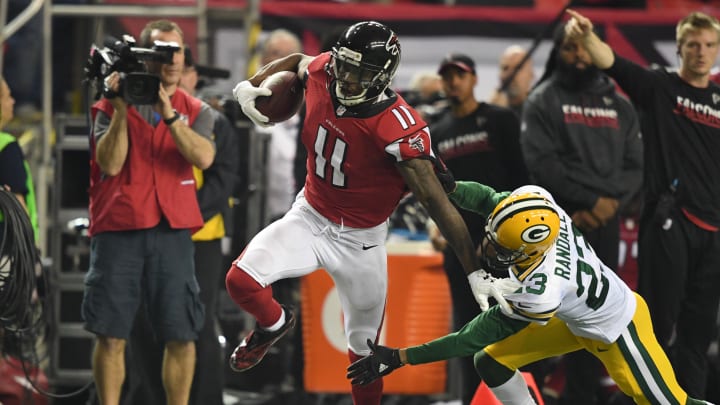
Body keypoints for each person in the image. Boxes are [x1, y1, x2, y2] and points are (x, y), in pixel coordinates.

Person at [227, 20, 479, 405]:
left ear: (383, 76)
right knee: (240, 281)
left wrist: (474, 268)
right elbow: (299, 61)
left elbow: (439, 206)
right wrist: (255, 82)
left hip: (361, 240)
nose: (345, 78)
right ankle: (274, 324)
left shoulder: (396, 127)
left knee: (364, 356)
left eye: (359, 72)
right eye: (343, 66)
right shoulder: (328, 69)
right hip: (310, 215)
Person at [347, 179, 713, 405]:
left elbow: (471, 336)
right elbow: (490, 198)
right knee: (492, 362)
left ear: (528, 252)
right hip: (577, 317)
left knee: (670, 403)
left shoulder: (543, 288)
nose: (489, 249)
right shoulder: (539, 208)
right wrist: (451, 188)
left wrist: (402, 357)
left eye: (501, 249)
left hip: (618, 328)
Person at [565, 9, 720, 399]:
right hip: (670, 223)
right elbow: (611, 62)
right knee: (654, 328)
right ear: (679, 48)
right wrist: (586, 36)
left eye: (709, 45)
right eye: (693, 45)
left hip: (715, 233)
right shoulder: (660, 87)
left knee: (697, 336)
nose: (701, 52)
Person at [82, 19, 215, 405]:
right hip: (119, 229)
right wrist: (122, 109)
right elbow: (109, 163)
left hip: (172, 231)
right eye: (161, 51)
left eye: (178, 51)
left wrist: (169, 114)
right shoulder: (110, 104)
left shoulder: (197, 110)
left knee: (182, 332)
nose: (172, 60)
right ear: (144, 57)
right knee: (110, 332)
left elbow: (204, 157)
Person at [520, 22, 643, 405]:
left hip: (603, 223)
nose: (578, 57)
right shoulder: (542, 99)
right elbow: (542, 165)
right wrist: (590, 202)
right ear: (559, 52)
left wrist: (608, 205)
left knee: (595, 317)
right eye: (570, 49)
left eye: (583, 49)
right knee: (543, 315)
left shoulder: (620, 104)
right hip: (554, 224)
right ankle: (542, 393)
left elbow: (635, 165)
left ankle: (582, 397)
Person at [122, 47, 238, 405]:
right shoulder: (135, 114)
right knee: (142, 322)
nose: (175, 78)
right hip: (143, 232)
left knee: (195, 325)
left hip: (198, 236)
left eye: (183, 70)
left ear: (193, 76)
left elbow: (223, 181)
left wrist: (180, 215)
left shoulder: (213, 120)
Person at [429, 52, 528, 405]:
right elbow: (432, 190)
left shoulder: (499, 120)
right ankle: (474, 399)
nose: (453, 81)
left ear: (474, 80)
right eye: (447, 75)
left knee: (518, 324)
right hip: (462, 248)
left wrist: (509, 233)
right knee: (468, 329)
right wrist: (435, 224)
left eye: (460, 74)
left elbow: (521, 178)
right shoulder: (436, 130)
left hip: (507, 243)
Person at [256, 28, 304, 225]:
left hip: (298, 215)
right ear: (263, 60)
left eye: (289, 56)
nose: (282, 62)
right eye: (276, 54)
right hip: (255, 214)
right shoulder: (245, 106)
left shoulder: (312, 110)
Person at [0, 76, 38, 242]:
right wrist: (30, 253)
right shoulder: (6, 146)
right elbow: (18, 207)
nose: (13, 102)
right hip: (7, 247)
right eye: (8, 96)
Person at [489, 45, 535, 117]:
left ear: (531, 75)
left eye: (518, 68)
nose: (510, 75)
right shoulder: (491, 109)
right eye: (505, 68)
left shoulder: (541, 111)